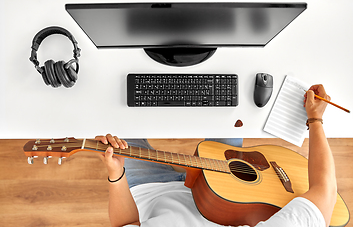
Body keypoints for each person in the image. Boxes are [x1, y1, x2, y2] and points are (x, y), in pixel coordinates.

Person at [95, 84, 337, 227]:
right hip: (225, 189)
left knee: (107, 105)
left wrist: (116, 174)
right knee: (232, 100)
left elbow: (126, 225)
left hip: (148, 191)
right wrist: (315, 120)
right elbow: (325, 192)